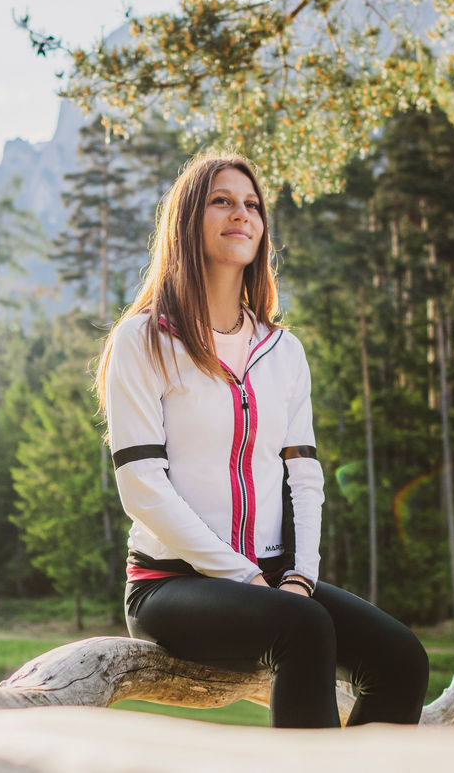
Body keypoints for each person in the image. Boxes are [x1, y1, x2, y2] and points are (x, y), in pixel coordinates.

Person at [96, 150, 429, 728]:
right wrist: (243, 577)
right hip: (170, 584)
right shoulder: (143, 340)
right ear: (187, 221)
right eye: (222, 201)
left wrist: (299, 574)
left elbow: (303, 476)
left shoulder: (284, 351)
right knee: (301, 626)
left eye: (252, 205)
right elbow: (142, 488)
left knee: (401, 658)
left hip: (276, 580)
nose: (241, 214)